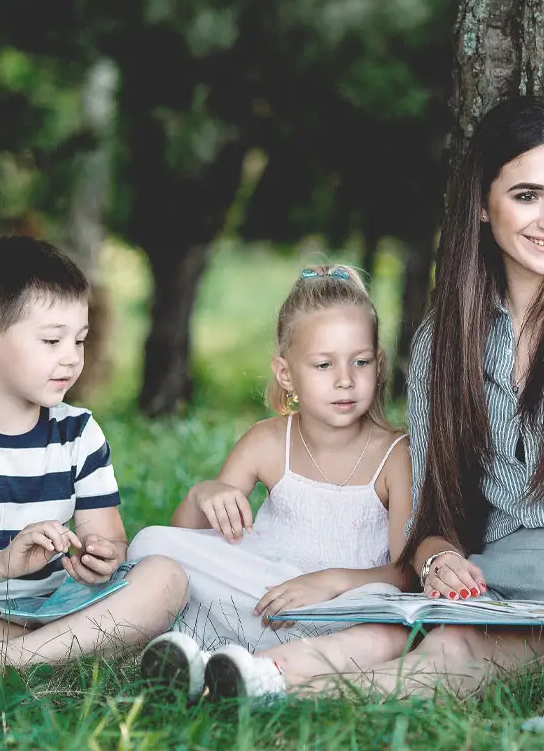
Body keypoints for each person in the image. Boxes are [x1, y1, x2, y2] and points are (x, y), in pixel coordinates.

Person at [188, 95, 544, 701]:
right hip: (495, 590)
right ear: (483, 205)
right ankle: (244, 670)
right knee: (406, 634)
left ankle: (261, 688)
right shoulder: (444, 342)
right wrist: (437, 561)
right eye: (527, 195)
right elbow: (435, 514)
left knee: (450, 655)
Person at [0, 236, 187, 676]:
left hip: (59, 601)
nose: (71, 359)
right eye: (51, 341)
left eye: (79, 341)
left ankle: (11, 657)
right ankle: (65, 650)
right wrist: (0, 564)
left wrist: (101, 558)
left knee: (167, 576)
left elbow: (112, 540)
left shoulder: (79, 433)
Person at [132, 264, 413, 700]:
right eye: (323, 364)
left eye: (361, 362)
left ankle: (226, 667)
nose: (345, 379)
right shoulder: (266, 441)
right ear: (286, 374)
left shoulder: (396, 454)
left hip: (342, 609)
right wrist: (203, 493)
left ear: (379, 365)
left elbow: (405, 573)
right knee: (150, 543)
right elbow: (187, 537)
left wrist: (329, 581)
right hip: (261, 598)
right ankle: (215, 665)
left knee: (387, 619)